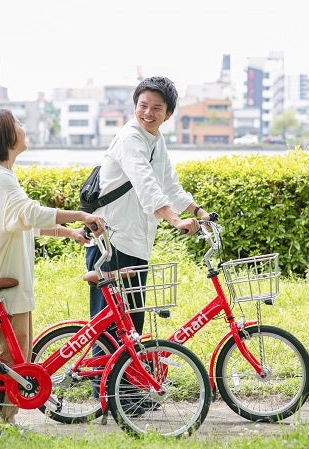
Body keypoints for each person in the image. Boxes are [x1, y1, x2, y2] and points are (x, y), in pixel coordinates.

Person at [0, 108, 106, 427]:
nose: (23, 127)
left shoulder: (0, 175)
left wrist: (68, 232)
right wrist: (82, 216)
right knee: (5, 360)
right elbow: (28, 212)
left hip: (9, 282)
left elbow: (20, 220)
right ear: (5, 135)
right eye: (17, 123)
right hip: (2, 285)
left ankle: (2, 420)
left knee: (15, 358)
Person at [86, 75, 211, 341]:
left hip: (135, 242)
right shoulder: (131, 138)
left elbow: (169, 186)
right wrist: (175, 220)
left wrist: (199, 212)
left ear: (168, 114)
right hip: (112, 242)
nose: (148, 113)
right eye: (143, 105)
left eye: (157, 108)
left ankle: (126, 382)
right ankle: (103, 383)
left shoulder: (156, 140)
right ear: (135, 106)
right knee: (111, 328)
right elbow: (146, 185)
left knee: (131, 324)